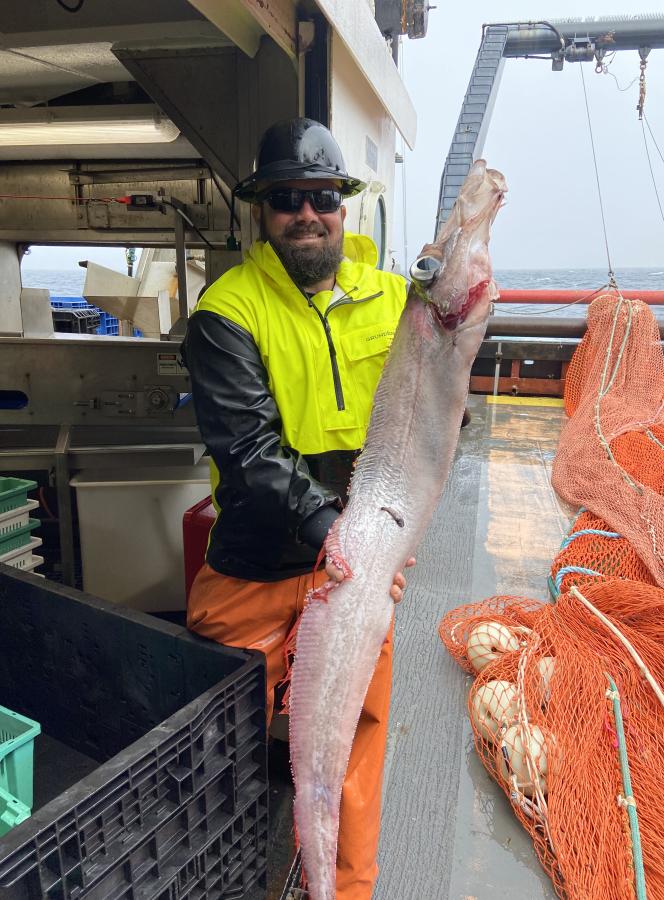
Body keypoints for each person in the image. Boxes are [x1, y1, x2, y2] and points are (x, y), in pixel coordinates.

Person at [181, 117, 412, 899]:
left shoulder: (399, 301)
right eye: (287, 199)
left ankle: (342, 892)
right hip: (257, 570)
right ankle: (219, 877)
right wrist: (341, 539)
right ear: (261, 211)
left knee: (351, 746)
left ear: (343, 206)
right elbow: (248, 452)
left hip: (352, 573)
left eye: (322, 197)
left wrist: (377, 544)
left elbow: (423, 422)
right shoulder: (226, 311)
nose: (306, 214)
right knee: (217, 745)